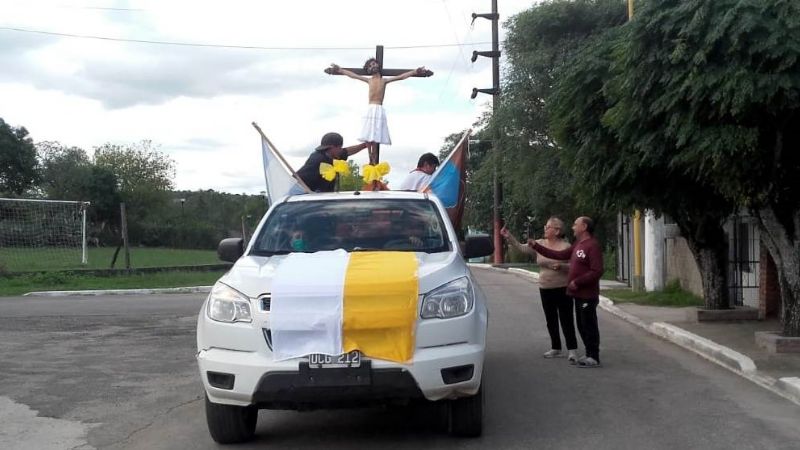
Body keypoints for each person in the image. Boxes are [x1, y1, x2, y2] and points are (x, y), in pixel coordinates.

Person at [528, 216, 604, 368]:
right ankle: (588, 353)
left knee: (589, 324)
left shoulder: (592, 245)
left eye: (575, 224)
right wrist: (537, 246)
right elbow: (560, 255)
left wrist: (577, 281)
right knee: (581, 325)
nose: (572, 227)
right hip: (578, 294)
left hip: (587, 294)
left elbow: (597, 271)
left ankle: (593, 356)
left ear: (584, 227)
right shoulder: (578, 244)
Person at [501, 218, 578, 362]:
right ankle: (556, 347)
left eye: (548, 227)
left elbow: (574, 266)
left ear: (557, 231)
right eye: (545, 226)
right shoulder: (540, 243)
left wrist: (562, 267)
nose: (545, 229)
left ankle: (572, 349)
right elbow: (522, 247)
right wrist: (508, 236)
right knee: (550, 318)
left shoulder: (566, 246)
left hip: (562, 287)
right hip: (545, 286)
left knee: (566, 318)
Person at [329, 59, 426, 163]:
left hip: (378, 108)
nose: (373, 66)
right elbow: (353, 75)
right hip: (370, 108)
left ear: (378, 65)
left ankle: (374, 157)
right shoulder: (369, 80)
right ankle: (370, 156)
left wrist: (414, 72)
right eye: (370, 65)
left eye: (374, 64)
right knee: (368, 132)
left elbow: (401, 77)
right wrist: (340, 70)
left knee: (376, 134)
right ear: (368, 69)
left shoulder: (383, 80)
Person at [296, 132, 367, 192]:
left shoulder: (330, 154)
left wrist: (364, 145)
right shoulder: (319, 159)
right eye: (340, 147)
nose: (341, 150)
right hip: (301, 192)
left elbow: (346, 151)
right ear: (332, 147)